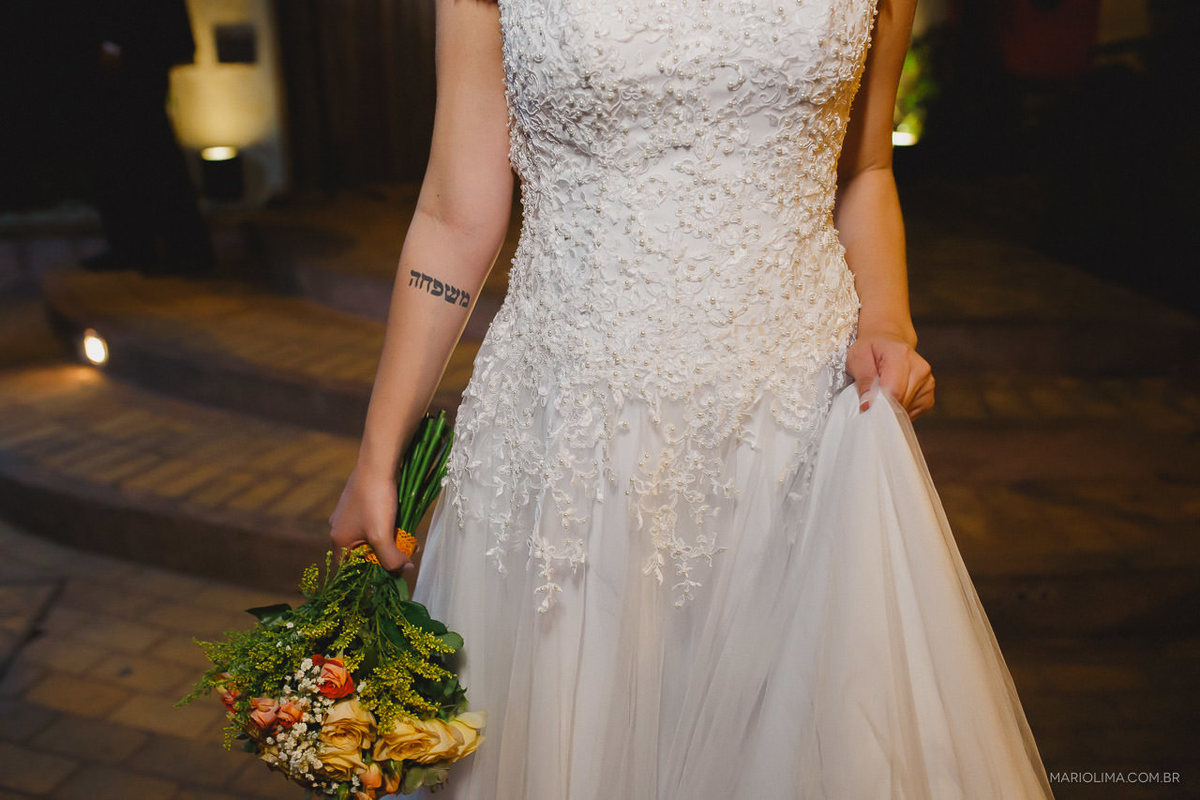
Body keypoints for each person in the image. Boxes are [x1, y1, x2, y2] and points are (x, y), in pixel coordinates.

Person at [330, 0, 1054, 796]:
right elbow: (454, 215)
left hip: (789, 441)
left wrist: (887, 319)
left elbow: (865, 168)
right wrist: (378, 453)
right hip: (571, 451)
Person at [67, 0, 216, 275]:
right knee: (124, 153)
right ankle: (139, 245)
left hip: (136, 53)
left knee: (150, 151)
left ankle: (179, 248)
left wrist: (115, 42)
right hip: (131, 50)